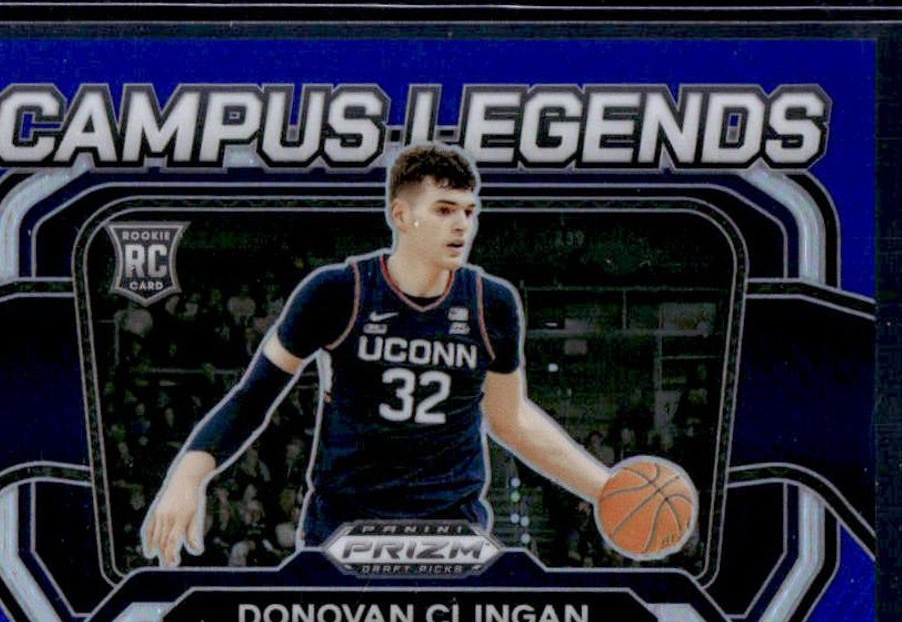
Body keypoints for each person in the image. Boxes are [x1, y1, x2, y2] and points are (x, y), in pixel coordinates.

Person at [142, 142, 611, 567]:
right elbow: (253, 397)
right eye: (444, 210)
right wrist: (187, 475)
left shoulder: (493, 303)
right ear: (400, 215)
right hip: (345, 533)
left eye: (469, 211)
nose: (462, 225)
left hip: (452, 536)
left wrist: (606, 490)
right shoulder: (337, 291)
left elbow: (510, 419)